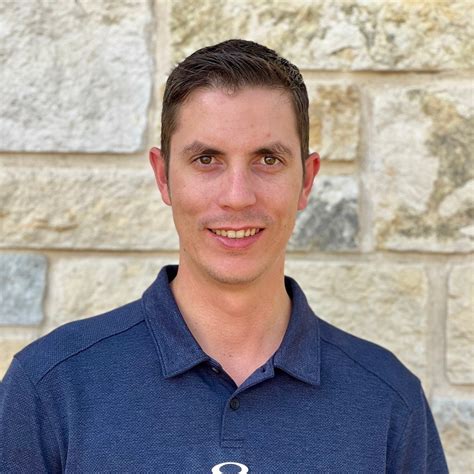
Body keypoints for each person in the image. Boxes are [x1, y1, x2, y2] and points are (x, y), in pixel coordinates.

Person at [0, 40, 447, 473]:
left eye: (268, 160)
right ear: (163, 176)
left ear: (307, 181)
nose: (237, 196)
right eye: (207, 159)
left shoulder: (388, 400)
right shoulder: (51, 387)